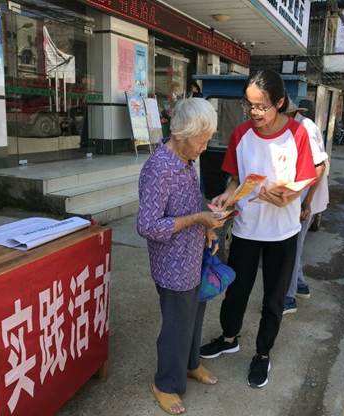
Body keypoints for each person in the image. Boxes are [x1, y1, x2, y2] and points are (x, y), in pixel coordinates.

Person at [199, 70, 316, 388]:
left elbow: (307, 175)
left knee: (274, 300)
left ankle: (262, 354)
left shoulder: (297, 134)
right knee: (236, 291)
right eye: (249, 105)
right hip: (247, 229)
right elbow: (236, 178)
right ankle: (228, 337)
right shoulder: (241, 134)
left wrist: (288, 195)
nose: (254, 113)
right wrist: (228, 194)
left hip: (283, 232)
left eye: (262, 106)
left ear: (279, 103)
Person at [137, 98, 226, 415]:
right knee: (176, 325)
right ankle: (165, 384)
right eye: (202, 141)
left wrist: (208, 223)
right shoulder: (158, 168)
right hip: (173, 265)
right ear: (183, 135)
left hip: (194, 255)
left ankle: (190, 364)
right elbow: (147, 225)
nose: (204, 148)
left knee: (195, 315)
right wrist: (196, 220)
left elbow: (189, 203)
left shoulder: (185, 162)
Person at [282, 99, 329, 315]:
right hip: (301, 196)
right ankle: (299, 284)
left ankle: (288, 297)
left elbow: (318, 168)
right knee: (296, 245)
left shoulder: (305, 129)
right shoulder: (298, 126)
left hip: (305, 199)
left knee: (293, 247)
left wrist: (306, 203)